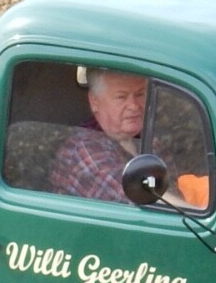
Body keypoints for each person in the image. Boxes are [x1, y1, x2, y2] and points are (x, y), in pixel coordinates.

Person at [48, 68, 150, 203]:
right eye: (121, 97)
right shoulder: (82, 147)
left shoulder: (149, 138)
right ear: (95, 102)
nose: (134, 106)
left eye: (140, 94)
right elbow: (140, 195)